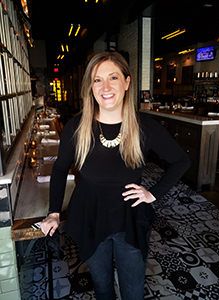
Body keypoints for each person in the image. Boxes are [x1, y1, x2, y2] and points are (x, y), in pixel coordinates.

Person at [41, 51, 191, 300]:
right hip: (90, 215)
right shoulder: (77, 127)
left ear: (127, 82)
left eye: (113, 77)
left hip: (130, 218)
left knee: (133, 293)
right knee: (102, 289)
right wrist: (54, 212)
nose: (105, 87)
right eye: (97, 79)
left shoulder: (144, 126)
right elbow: (59, 169)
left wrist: (153, 194)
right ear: (90, 85)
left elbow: (181, 161)